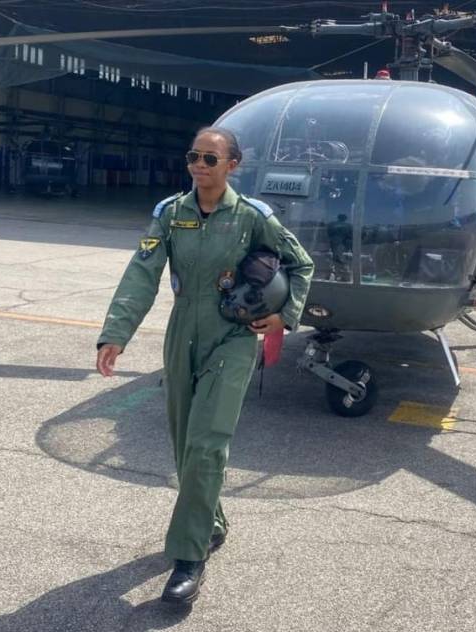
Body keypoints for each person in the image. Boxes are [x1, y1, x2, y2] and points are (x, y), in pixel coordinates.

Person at [95, 127, 314, 606]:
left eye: (210, 159)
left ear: (232, 165)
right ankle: (211, 522)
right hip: (181, 336)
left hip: (232, 338)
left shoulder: (254, 217)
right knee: (182, 442)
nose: (199, 165)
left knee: (207, 443)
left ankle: (188, 557)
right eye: (193, 156)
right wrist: (117, 332)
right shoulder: (171, 214)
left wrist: (285, 314)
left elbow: (301, 264)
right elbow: (142, 272)